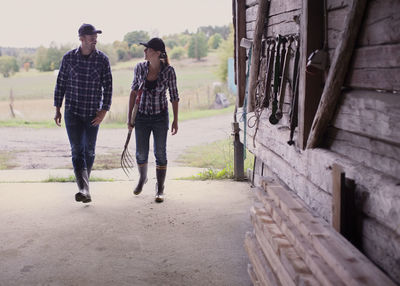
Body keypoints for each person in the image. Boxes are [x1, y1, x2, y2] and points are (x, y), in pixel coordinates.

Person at [54, 23, 113, 203]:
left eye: (96, 36)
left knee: (89, 150)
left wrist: (104, 110)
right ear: (81, 38)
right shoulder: (69, 58)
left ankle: (85, 188)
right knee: (77, 149)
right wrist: (57, 108)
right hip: (72, 112)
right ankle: (84, 189)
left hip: (92, 113)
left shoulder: (102, 60)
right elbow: (61, 83)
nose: (94, 39)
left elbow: (108, 87)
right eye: (91, 36)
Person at [127, 37, 179, 203]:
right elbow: (134, 93)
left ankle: (160, 188)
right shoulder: (140, 68)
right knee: (141, 152)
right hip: (141, 116)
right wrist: (130, 118)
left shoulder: (168, 72)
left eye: (147, 49)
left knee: (160, 152)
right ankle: (143, 179)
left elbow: (174, 97)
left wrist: (175, 120)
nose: (144, 52)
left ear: (157, 53)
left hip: (160, 117)